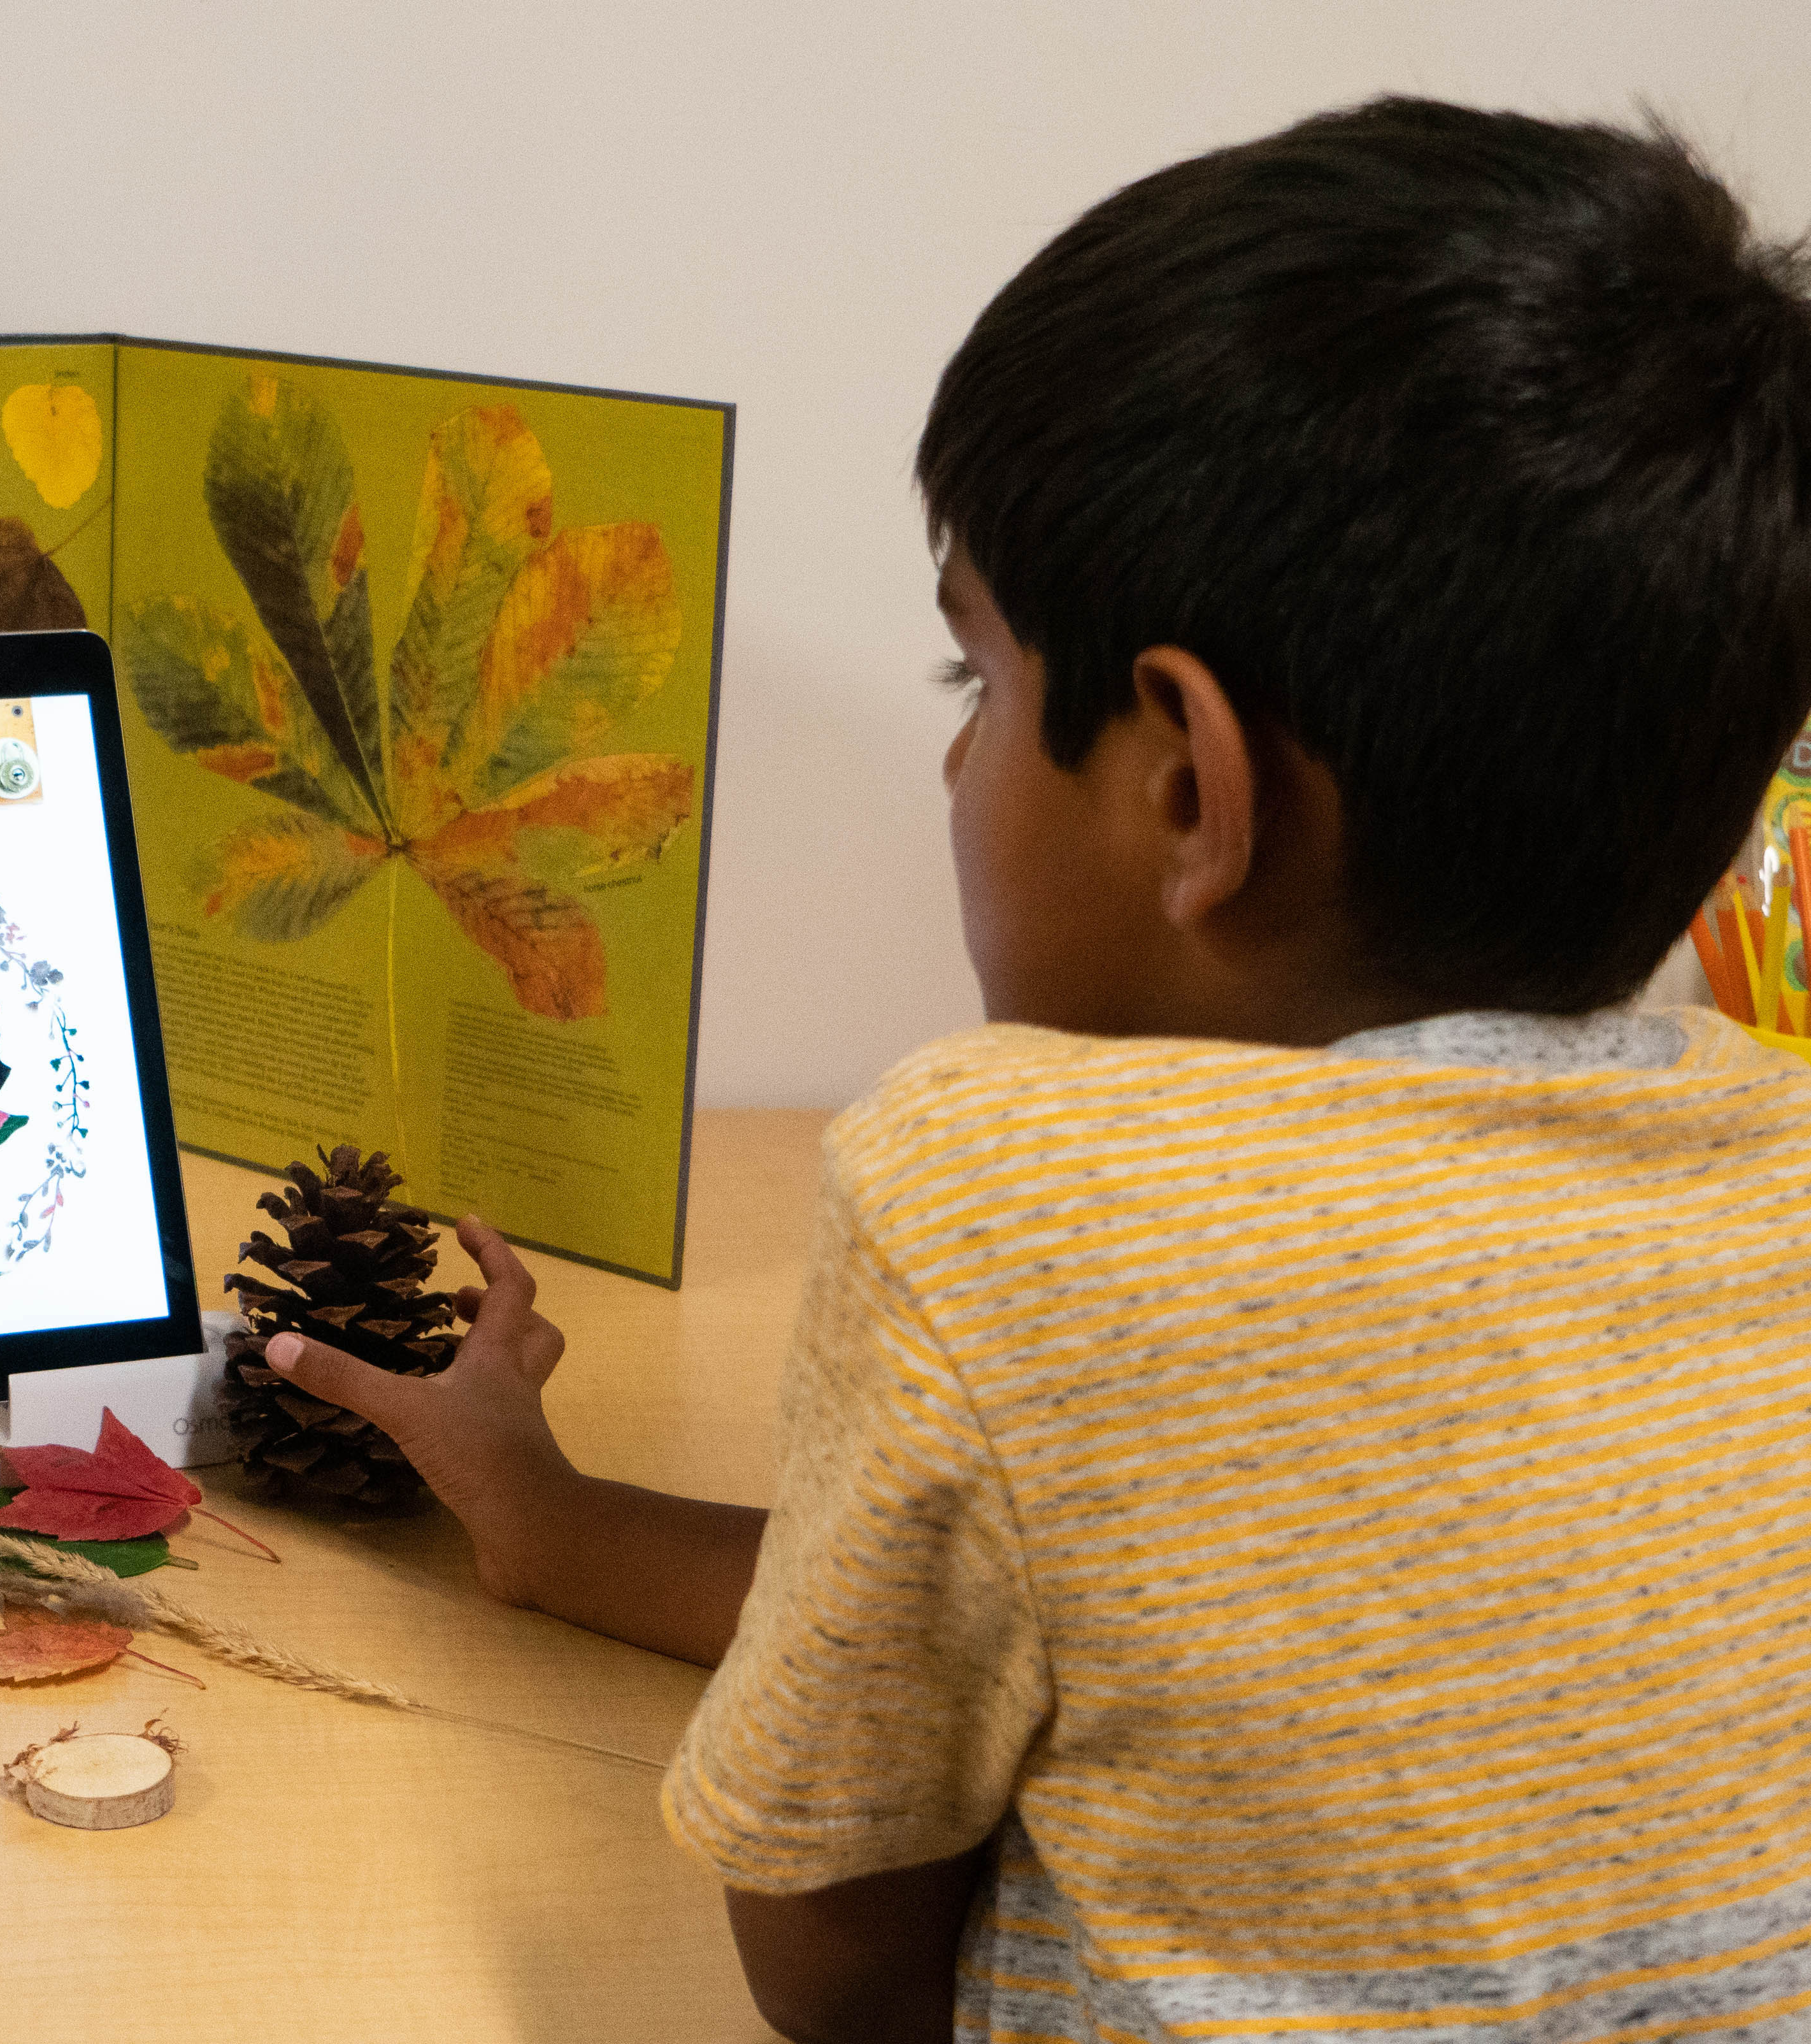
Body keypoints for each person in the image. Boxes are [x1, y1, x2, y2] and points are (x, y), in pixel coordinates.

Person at [264, 97, 1811, 2043]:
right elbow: (1044, 1603)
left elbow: (835, 1973)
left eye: (975, 681)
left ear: (1190, 789)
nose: (953, 760)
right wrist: (552, 1523)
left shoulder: (1002, 1194)